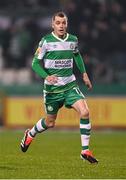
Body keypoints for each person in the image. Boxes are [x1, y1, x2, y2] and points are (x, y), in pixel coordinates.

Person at [20, 11, 98, 164]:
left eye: (63, 23)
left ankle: (85, 150)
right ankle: (30, 134)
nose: (61, 26)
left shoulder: (73, 40)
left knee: (85, 111)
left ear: (67, 24)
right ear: (52, 24)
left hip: (70, 86)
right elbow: (35, 63)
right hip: (52, 90)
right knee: (50, 123)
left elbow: (77, 55)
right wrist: (46, 76)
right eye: (58, 23)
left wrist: (84, 74)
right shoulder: (46, 41)